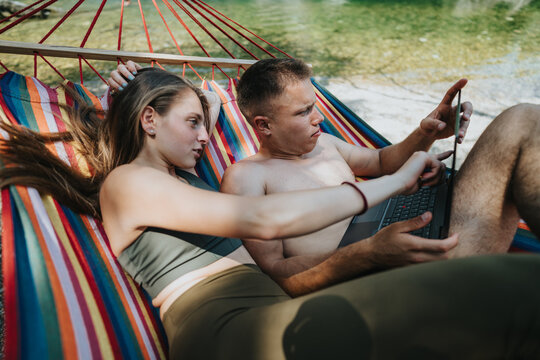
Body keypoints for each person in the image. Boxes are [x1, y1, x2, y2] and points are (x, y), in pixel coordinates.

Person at [4, 65, 540, 360]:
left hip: (274, 313)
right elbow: (262, 222)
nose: (205, 137)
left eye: (203, 123)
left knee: (521, 124)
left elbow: (211, 105)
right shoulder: (128, 184)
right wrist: (390, 185)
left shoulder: (184, 178)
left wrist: (135, 80)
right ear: (148, 121)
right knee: (519, 287)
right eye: (192, 125)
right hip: (238, 334)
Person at [214, 58, 540, 297]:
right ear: (263, 125)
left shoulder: (324, 143)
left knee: (521, 119)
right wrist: (370, 252)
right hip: (375, 278)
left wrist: (428, 131)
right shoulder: (247, 178)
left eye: (314, 106)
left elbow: (383, 161)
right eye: (303, 112)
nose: (320, 117)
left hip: (407, 233)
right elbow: (277, 276)